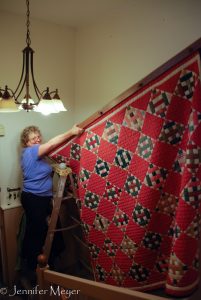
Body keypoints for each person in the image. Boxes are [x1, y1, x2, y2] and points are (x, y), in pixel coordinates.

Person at [19, 124, 83, 282]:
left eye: (38, 136)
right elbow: (53, 143)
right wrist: (71, 131)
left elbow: (43, 170)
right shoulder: (31, 151)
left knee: (46, 231)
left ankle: (47, 266)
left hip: (40, 198)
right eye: (33, 138)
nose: (37, 139)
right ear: (26, 142)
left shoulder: (39, 156)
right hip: (34, 198)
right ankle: (35, 272)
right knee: (37, 234)